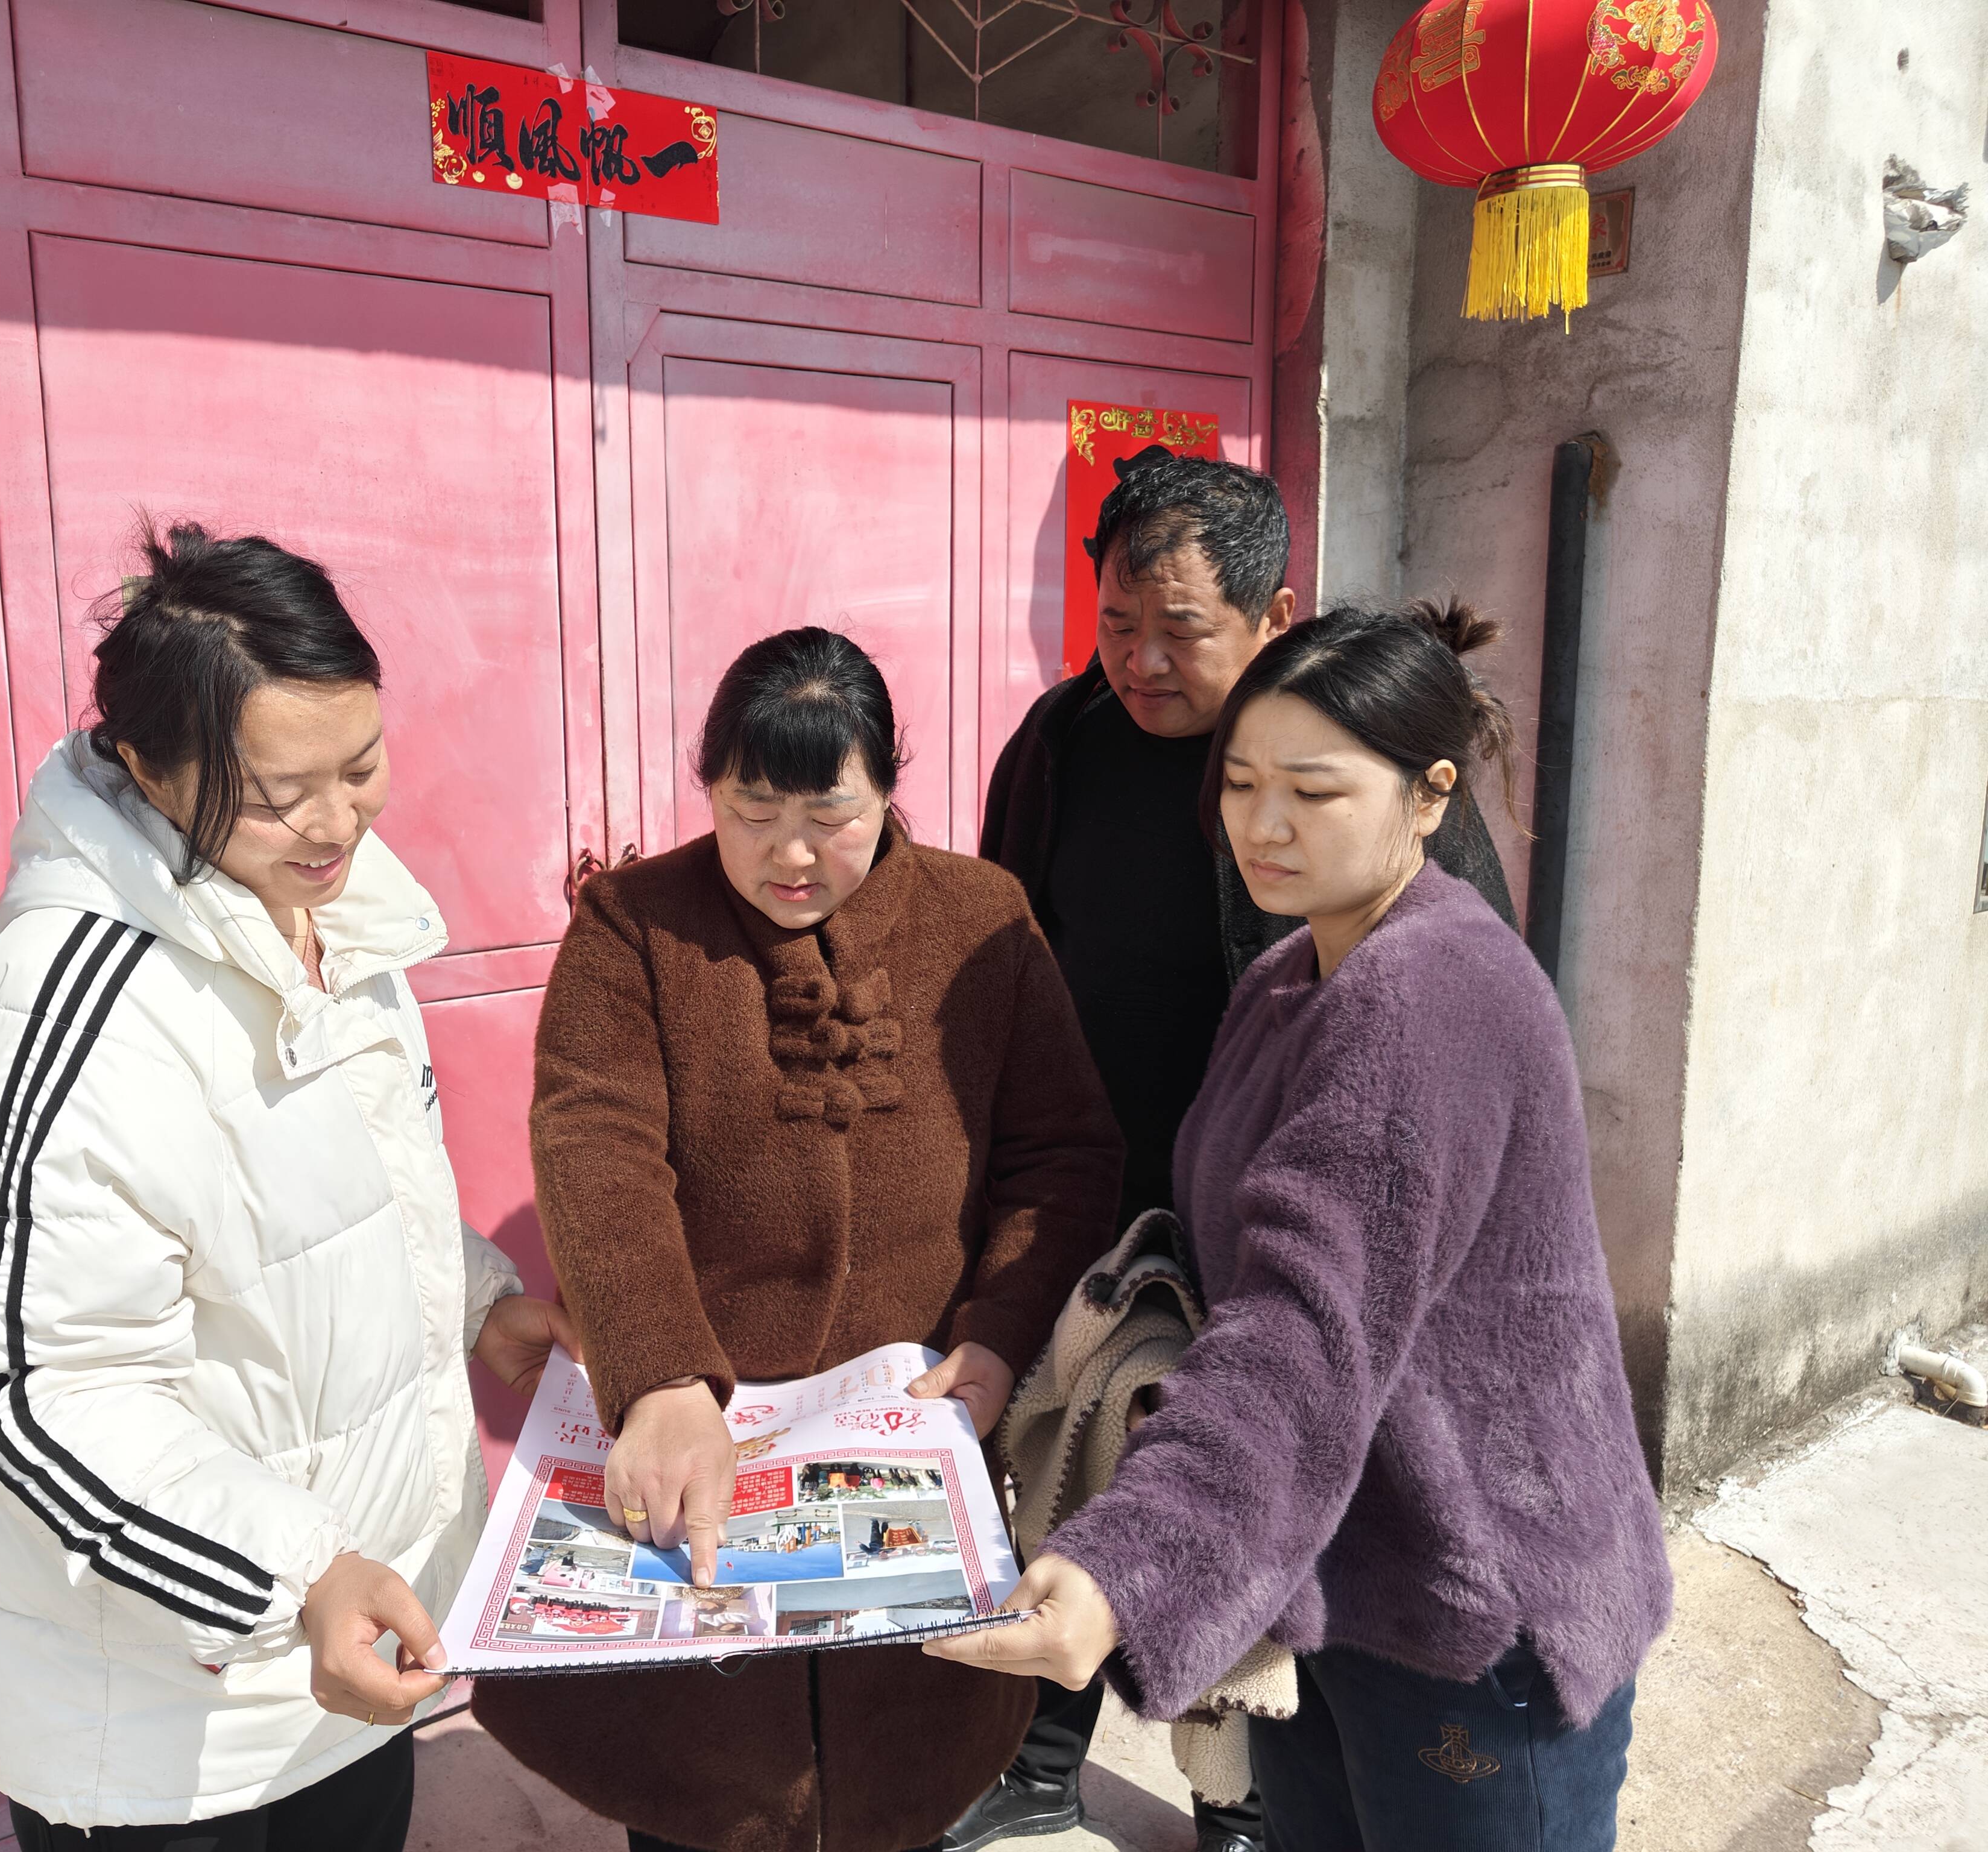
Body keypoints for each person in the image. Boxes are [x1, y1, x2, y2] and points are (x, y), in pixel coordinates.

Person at [927, 603, 1673, 1852]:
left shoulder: (1427, 995)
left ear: (1429, 796)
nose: (1262, 827)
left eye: (1314, 792)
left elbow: (1300, 1330)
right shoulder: (1292, 975)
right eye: (1239, 783)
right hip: (1331, 1573)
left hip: (1472, 1601)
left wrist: (1131, 1563)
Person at [0, 521, 577, 1851]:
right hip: (163, 1720)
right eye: (281, 791)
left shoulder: (326, 916)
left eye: (362, 766)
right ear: (149, 768)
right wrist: (297, 1577)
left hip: (336, 1668)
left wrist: (474, 1304)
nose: (337, 823)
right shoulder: (61, 1016)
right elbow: (37, 1393)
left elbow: (330, 1200)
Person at [474, 628, 1124, 1852]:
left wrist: (997, 1333)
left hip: (912, 1446)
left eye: (830, 814)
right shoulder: (633, 926)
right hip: (707, 1446)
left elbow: (1063, 1155)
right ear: (708, 788)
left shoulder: (979, 919)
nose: (789, 852)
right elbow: (597, 1149)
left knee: (906, 1786)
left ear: (889, 788)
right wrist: (661, 1377)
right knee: (701, 1791)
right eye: (751, 810)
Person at [956, 447, 1517, 1852]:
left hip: (1283, 1209)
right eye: (1114, 623)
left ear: (1272, 615)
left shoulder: (1345, 767)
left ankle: (1245, 1796)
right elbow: (1009, 944)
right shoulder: (1058, 743)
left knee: (1252, 1479)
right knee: (1063, 1456)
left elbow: (1454, 997)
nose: (1139, 661)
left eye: (1181, 630)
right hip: (1097, 1189)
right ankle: (1042, 1753)